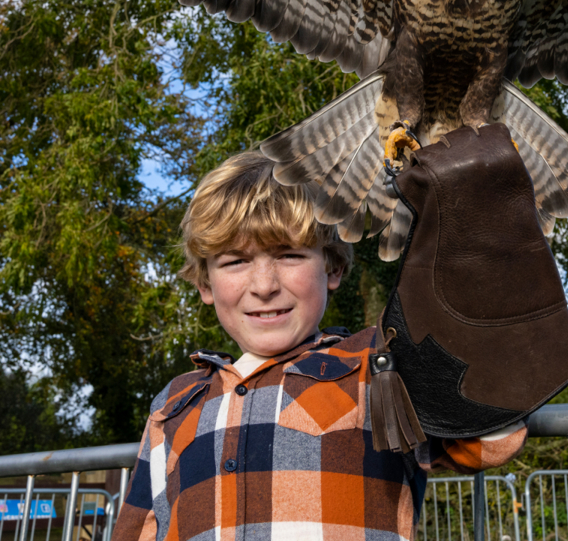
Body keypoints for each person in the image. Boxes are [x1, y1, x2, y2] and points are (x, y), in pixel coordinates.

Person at [112, 150, 527, 541]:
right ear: (205, 283)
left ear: (332, 266)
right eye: (235, 261)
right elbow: (139, 529)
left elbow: (489, 443)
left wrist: (472, 223)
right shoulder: (174, 403)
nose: (264, 286)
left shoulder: (379, 367)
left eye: (289, 255)